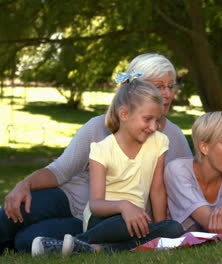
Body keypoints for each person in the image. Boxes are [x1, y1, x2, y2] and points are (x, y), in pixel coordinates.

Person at [0, 53, 192, 253]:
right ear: (134, 89)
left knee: (26, 241)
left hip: (114, 222)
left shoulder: (172, 137)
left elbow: (187, 185)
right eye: (159, 86)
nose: (168, 94)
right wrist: (25, 184)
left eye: (171, 86)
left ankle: (82, 245)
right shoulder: (97, 127)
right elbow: (60, 170)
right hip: (73, 200)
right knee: (12, 212)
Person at [31, 79, 184, 256]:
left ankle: (91, 248)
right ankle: (83, 240)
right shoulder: (101, 150)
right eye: (148, 119)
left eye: (157, 120)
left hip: (136, 221)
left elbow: (157, 190)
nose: (153, 127)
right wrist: (124, 206)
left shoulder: (159, 142)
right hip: (102, 218)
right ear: (124, 114)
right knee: (123, 224)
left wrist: (161, 232)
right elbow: (96, 204)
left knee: (174, 228)